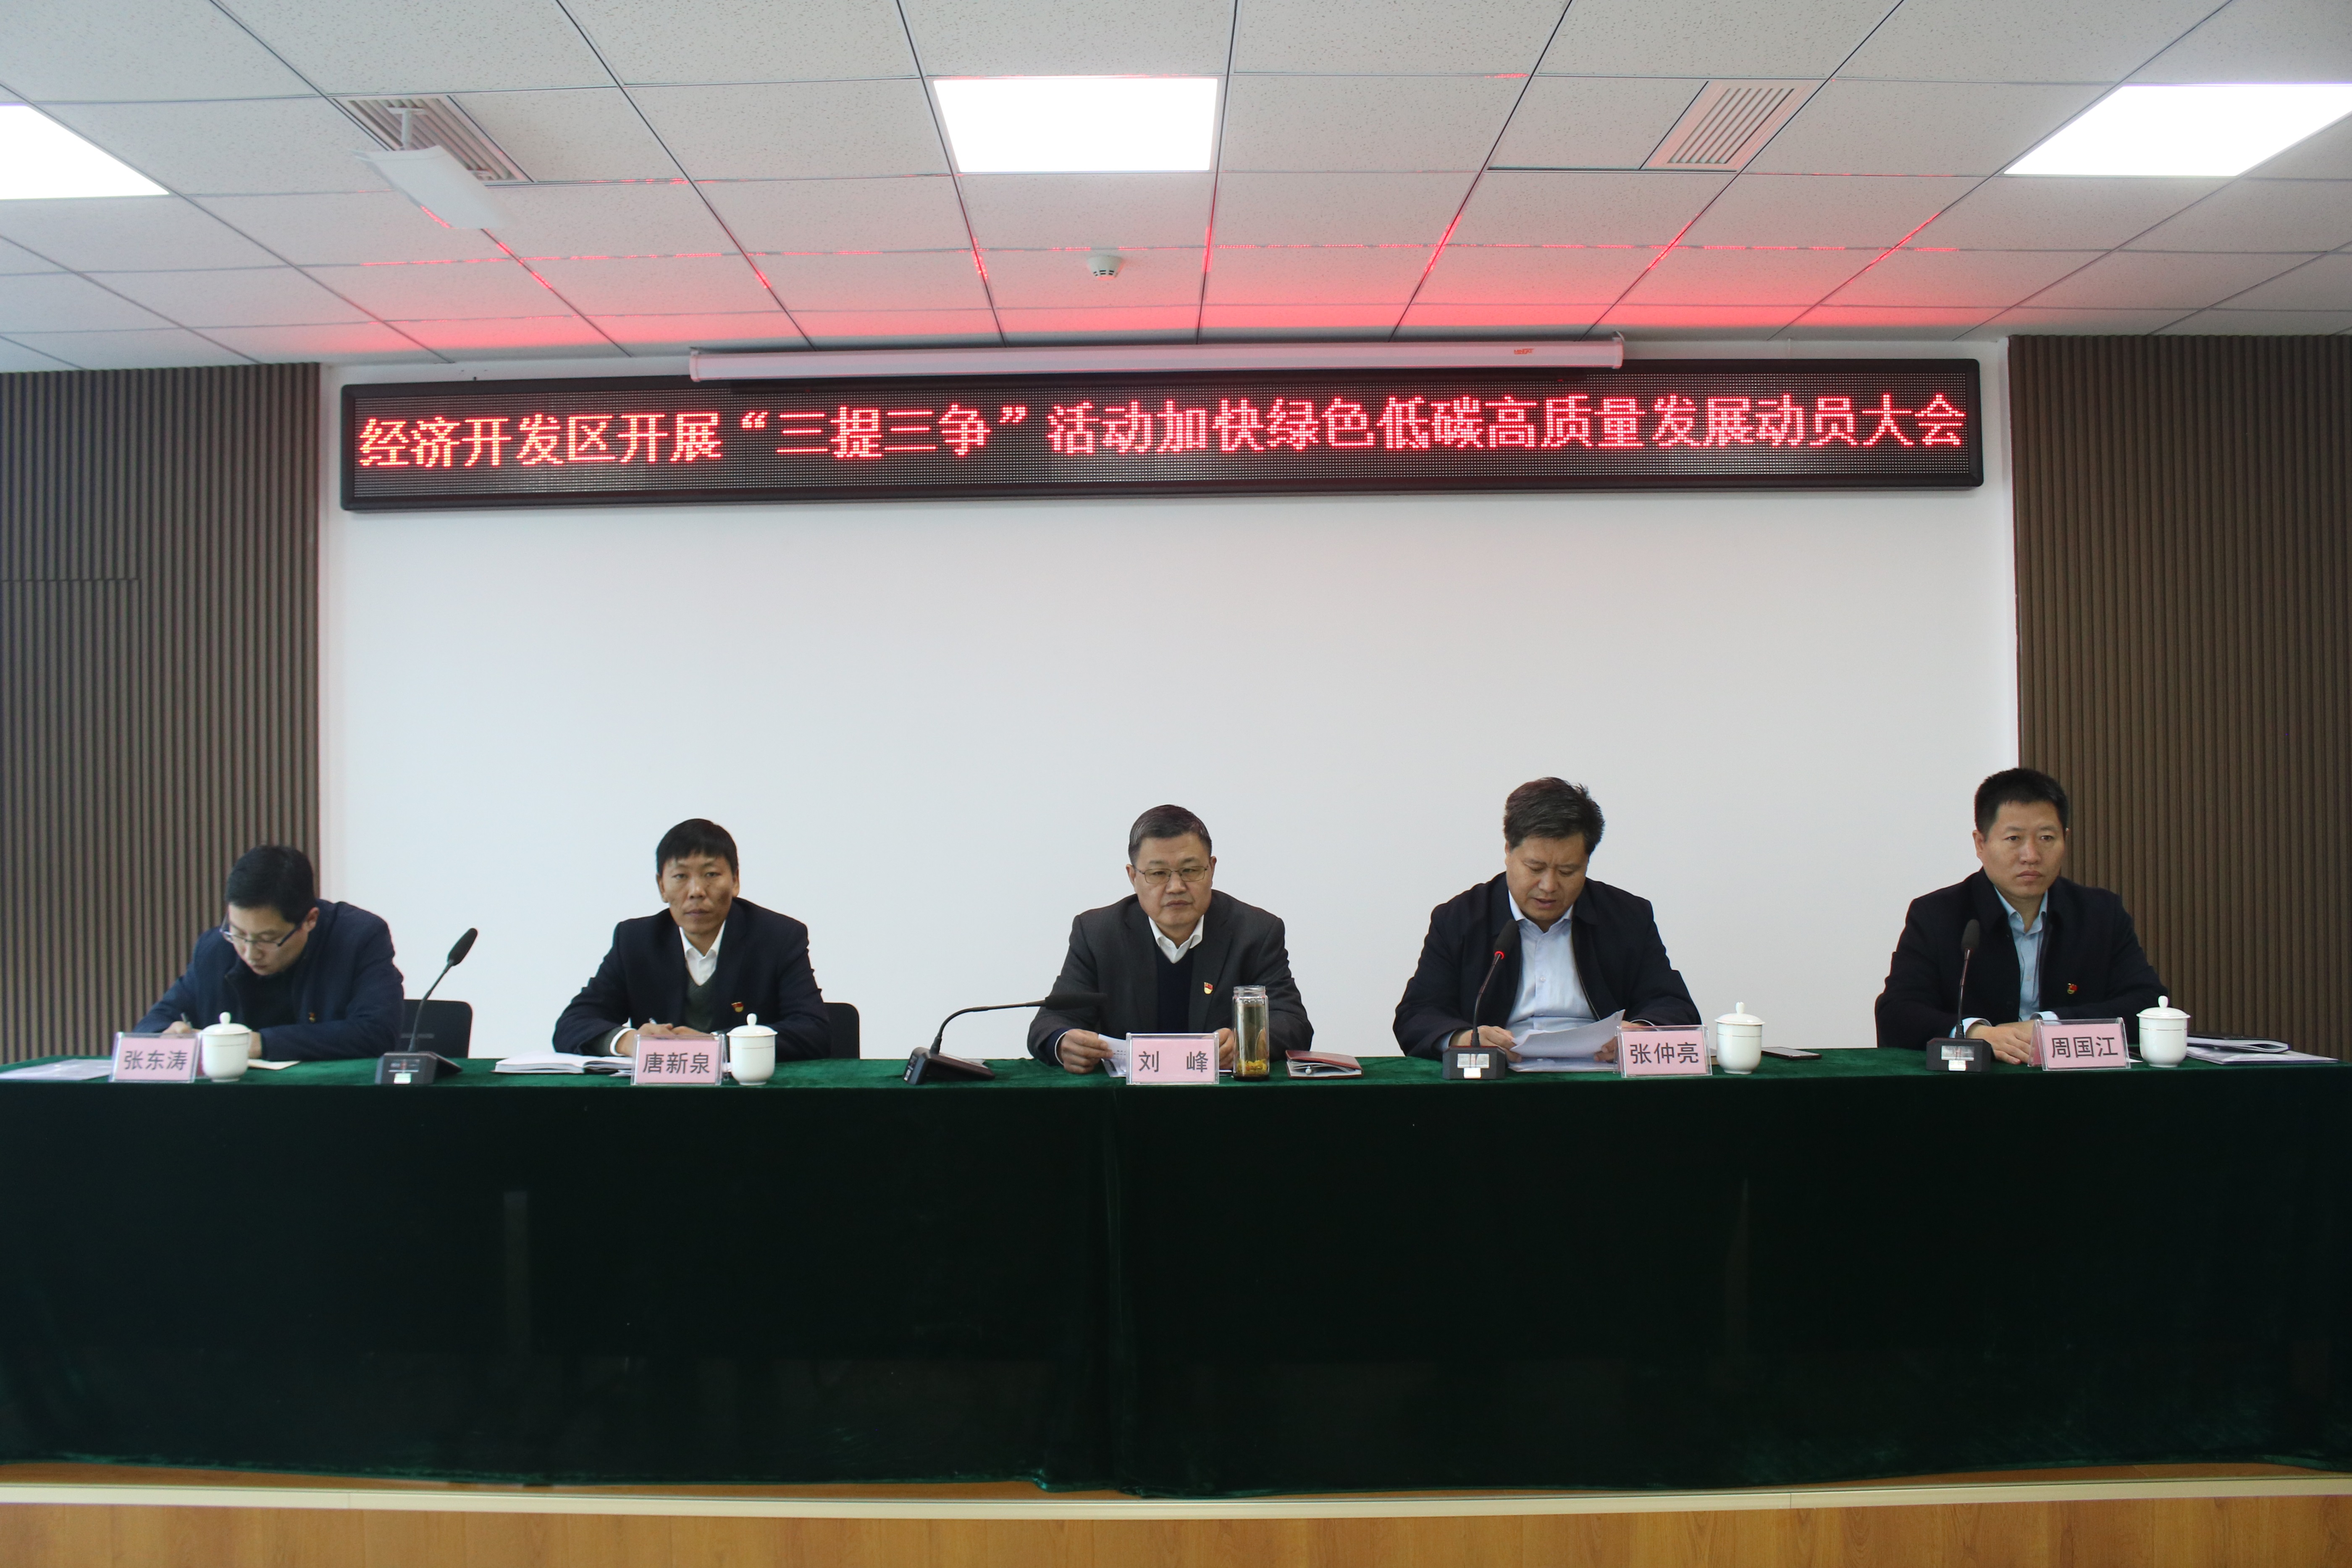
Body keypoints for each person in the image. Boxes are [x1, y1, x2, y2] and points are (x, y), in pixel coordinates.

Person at [1394, 777, 1698, 1061]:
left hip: (1601, 1079)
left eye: (1568, 871)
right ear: (1508, 851)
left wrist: (1642, 1033)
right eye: (1535, 868)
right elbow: (1417, 1014)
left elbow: (1673, 1005)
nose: (1549, 886)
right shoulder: (1460, 918)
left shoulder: (1627, 916)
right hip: (1498, 1081)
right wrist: (1464, 1039)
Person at [1875, 767, 2164, 1060]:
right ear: (1981, 843)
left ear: (2065, 840)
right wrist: (1975, 1033)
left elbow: (2148, 1004)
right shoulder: (1936, 915)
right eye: (2014, 839)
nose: (2031, 855)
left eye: (2046, 838)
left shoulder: (2100, 914)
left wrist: (2047, 1026)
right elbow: (1897, 1012)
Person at [1030, 804, 1312, 1073]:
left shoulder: (1255, 932)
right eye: (1158, 874)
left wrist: (1245, 1042)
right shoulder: (1098, 933)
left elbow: (1293, 1022)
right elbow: (1052, 1021)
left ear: (1212, 869)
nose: (1176, 887)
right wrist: (1063, 1042)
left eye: (1190, 870)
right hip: (1127, 1101)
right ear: (1133, 877)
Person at [554, 818, 830, 1060]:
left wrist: (716, 1045)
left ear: (735, 880)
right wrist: (629, 1041)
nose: (697, 890)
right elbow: (572, 1024)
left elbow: (814, 1030)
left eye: (711, 874)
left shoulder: (778, 937)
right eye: (681, 876)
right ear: (662, 887)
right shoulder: (635, 941)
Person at [136, 845, 404, 1060]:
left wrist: (262, 1044)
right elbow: (151, 1025)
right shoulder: (216, 949)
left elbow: (376, 1032)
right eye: (238, 933)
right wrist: (166, 1035)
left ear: (310, 920)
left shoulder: (358, 938)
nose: (250, 953)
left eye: (267, 939)